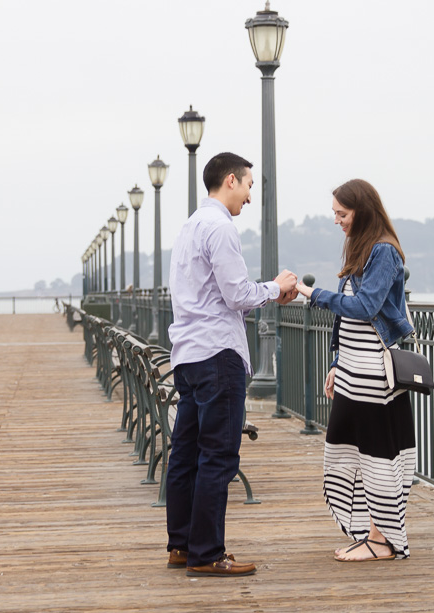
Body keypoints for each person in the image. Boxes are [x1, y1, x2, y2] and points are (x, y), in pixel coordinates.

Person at [165, 152, 298, 578]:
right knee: (218, 455)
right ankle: (207, 552)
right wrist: (275, 288)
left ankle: (182, 546)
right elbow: (238, 294)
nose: (249, 196)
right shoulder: (221, 227)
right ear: (229, 181)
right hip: (217, 353)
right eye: (248, 185)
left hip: (187, 354)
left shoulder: (189, 226)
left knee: (185, 453)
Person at [294, 178, 416, 562]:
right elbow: (347, 323)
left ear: (362, 210)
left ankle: (383, 541)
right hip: (352, 373)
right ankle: (368, 534)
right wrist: (335, 364)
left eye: (341, 213)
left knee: (377, 456)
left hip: (373, 378)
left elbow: (365, 308)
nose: (336, 220)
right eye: (335, 213)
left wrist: (311, 293)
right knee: (347, 453)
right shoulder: (362, 249)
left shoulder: (383, 252)